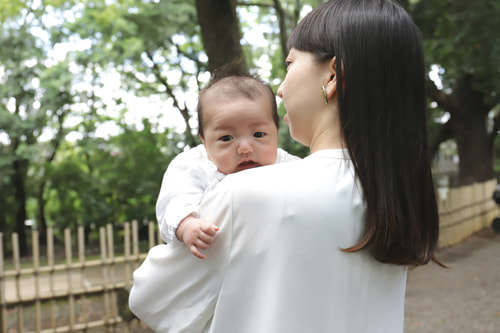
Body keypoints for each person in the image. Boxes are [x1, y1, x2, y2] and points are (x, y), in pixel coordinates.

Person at [129, 0, 440, 332]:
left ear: (333, 75)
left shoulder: (246, 193)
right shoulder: (393, 195)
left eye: (290, 63)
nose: (279, 88)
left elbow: (151, 297)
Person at [156, 73, 298, 259]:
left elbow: (316, 182)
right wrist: (187, 225)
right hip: (215, 259)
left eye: (259, 134)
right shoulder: (194, 166)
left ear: (276, 132)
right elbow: (174, 202)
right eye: (226, 138)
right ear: (205, 143)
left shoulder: (286, 164)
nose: (245, 148)